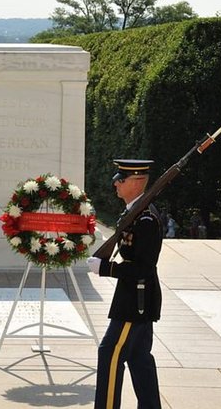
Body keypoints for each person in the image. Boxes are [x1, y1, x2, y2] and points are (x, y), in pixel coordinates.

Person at [87, 159, 163, 409]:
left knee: (109, 354)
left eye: (121, 179)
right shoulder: (135, 212)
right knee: (139, 358)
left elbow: (143, 267)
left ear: (138, 182)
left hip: (135, 301)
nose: (116, 183)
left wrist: (106, 268)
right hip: (135, 297)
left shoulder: (146, 220)